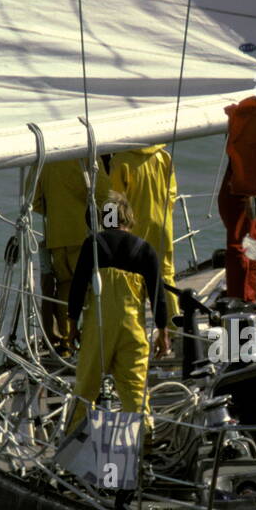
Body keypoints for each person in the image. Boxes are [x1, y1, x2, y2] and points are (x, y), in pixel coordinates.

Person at [67, 192, 172, 433]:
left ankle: (74, 440)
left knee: (86, 388)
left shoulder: (93, 245)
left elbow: (77, 287)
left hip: (99, 329)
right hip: (132, 328)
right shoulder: (145, 250)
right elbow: (158, 295)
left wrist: (72, 325)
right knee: (135, 391)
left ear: (106, 218)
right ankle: (142, 443)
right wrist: (162, 331)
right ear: (128, 217)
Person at [34, 157, 111, 355]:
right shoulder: (88, 158)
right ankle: (89, 342)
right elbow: (104, 196)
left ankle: (66, 344)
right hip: (83, 235)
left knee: (64, 289)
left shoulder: (44, 160)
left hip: (56, 236)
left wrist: (57, 210)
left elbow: (34, 201)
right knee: (89, 290)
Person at [109, 144, 180, 320]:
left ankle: (137, 331)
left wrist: (110, 233)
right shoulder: (164, 157)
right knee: (165, 276)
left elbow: (114, 200)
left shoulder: (120, 161)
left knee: (133, 280)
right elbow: (172, 193)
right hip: (162, 225)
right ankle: (174, 327)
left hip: (133, 230)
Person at [217, 161, 256, 302]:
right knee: (241, 246)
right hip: (245, 184)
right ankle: (239, 300)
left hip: (253, 181)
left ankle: (248, 297)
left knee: (252, 243)